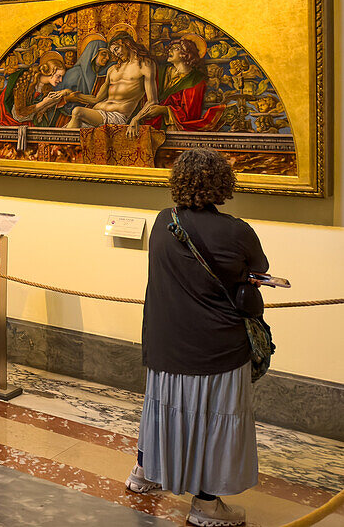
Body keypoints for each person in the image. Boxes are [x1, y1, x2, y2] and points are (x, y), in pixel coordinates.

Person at [127, 148, 267, 527]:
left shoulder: (162, 221)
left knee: (162, 406)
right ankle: (206, 505)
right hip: (217, 345)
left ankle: (144, 472)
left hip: (166, 338)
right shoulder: (237, 231)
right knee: (214, 419)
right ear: (224, 184)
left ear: (179, 182)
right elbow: (258, 269)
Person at [66, 32, 157, 134]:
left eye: (116, 49)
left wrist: (135, 119)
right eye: (113, 52)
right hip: (96, 113)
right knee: (66, 129)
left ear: (126, 43)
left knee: (77, 112)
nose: (116, 53)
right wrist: (75, 96)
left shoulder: (145, 65)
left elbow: (152, 101)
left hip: (116, 117)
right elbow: (96, 99)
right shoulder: (112, 70)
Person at [0, 52, 68, 127]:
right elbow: (19, 115)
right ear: (49, 72)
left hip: (31, 125)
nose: (60, 80)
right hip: (11, 123)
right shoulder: (24, 81)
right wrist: (44, 103)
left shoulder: (48, 88)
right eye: (58, 76)